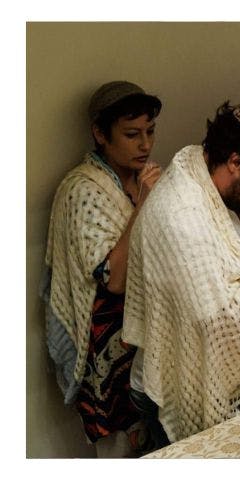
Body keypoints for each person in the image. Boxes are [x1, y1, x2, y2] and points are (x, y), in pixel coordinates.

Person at [122, 93, 240, 444]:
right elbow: (219, 330)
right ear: (236, 161)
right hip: (182, 383)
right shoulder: (179, 214)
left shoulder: (227, 187)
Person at [42, 80, 162, 456]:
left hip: (150, 338)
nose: (145, 144)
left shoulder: (144, 179)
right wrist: (144, 205)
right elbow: (114, 279)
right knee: (121, 452)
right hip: (109, 350)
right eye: (131, 134)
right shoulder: (81, 189)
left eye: (149, 132)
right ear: (100, 133)